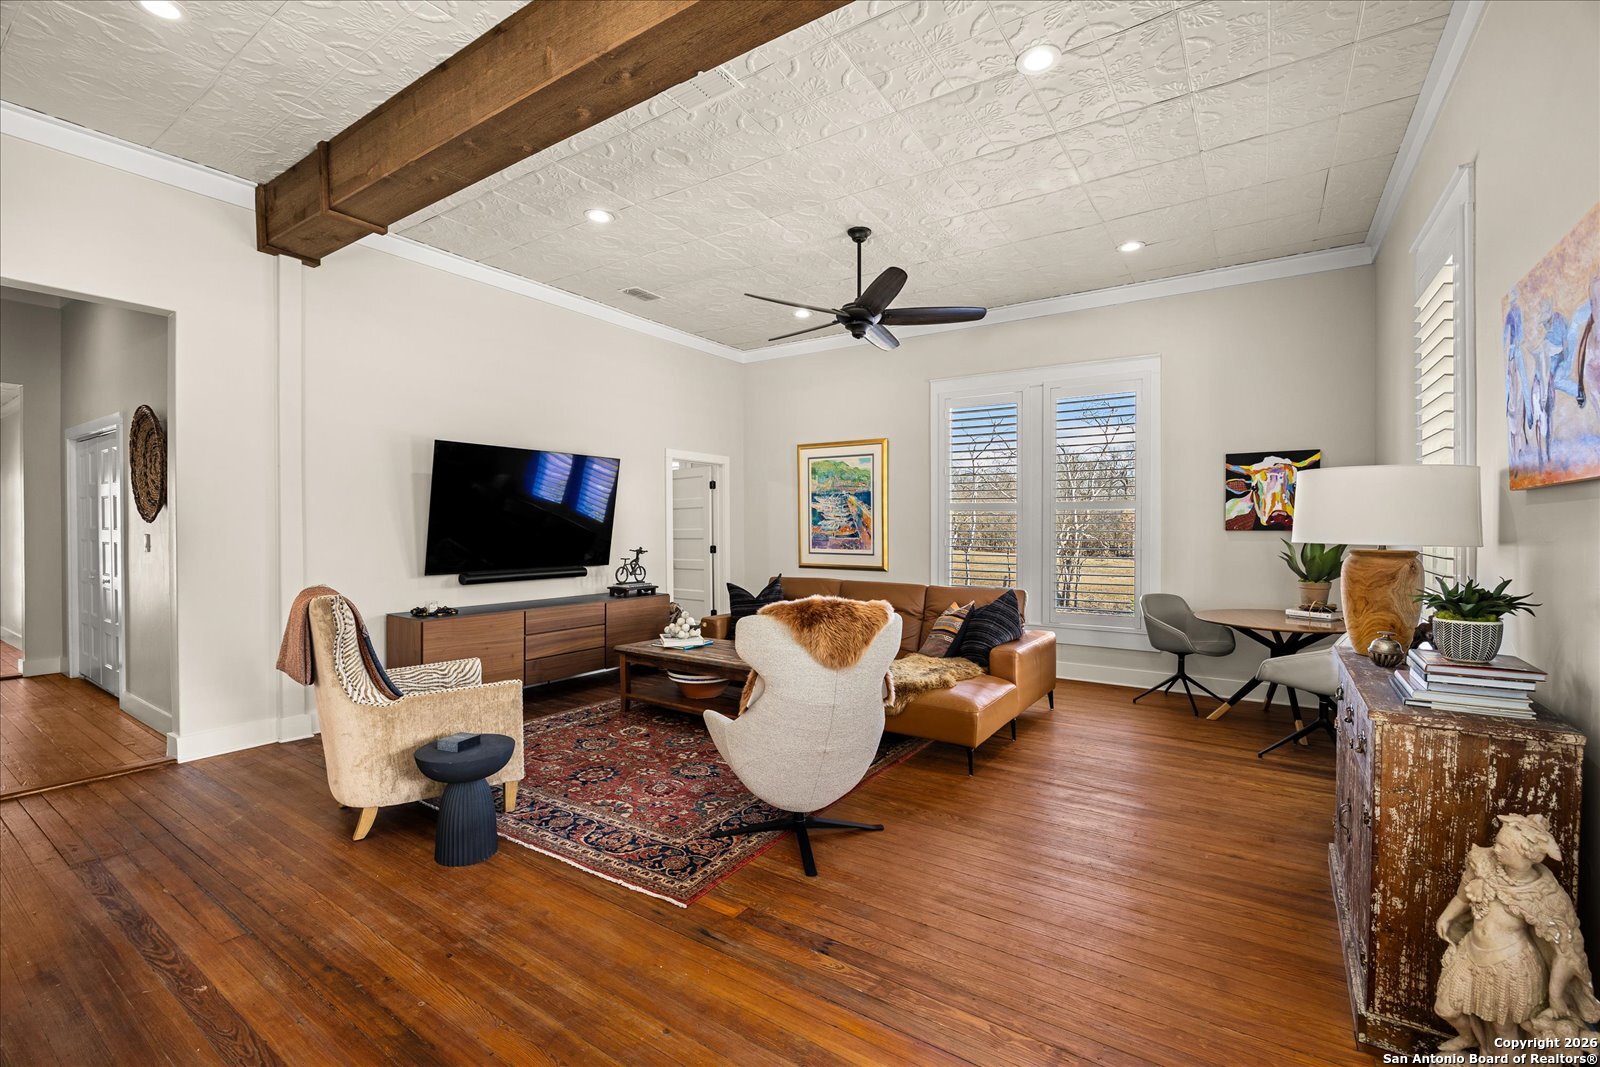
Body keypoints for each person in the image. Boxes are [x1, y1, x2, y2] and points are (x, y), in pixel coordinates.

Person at [1435, 813, 1600, 1052]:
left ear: (1526, 854)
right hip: (1470, 954)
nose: (1496, 849)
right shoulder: (1484, 863)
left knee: (1504, 1030)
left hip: (1510, 968)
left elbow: (1565, 951)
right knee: (1446, 1009)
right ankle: (1469, 1037)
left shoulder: (1543, 895)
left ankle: (1504, 1058)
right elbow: (1463, 895)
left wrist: (1555, 995)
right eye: (1497, 842)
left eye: (1503, 846)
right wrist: (1447, 916)